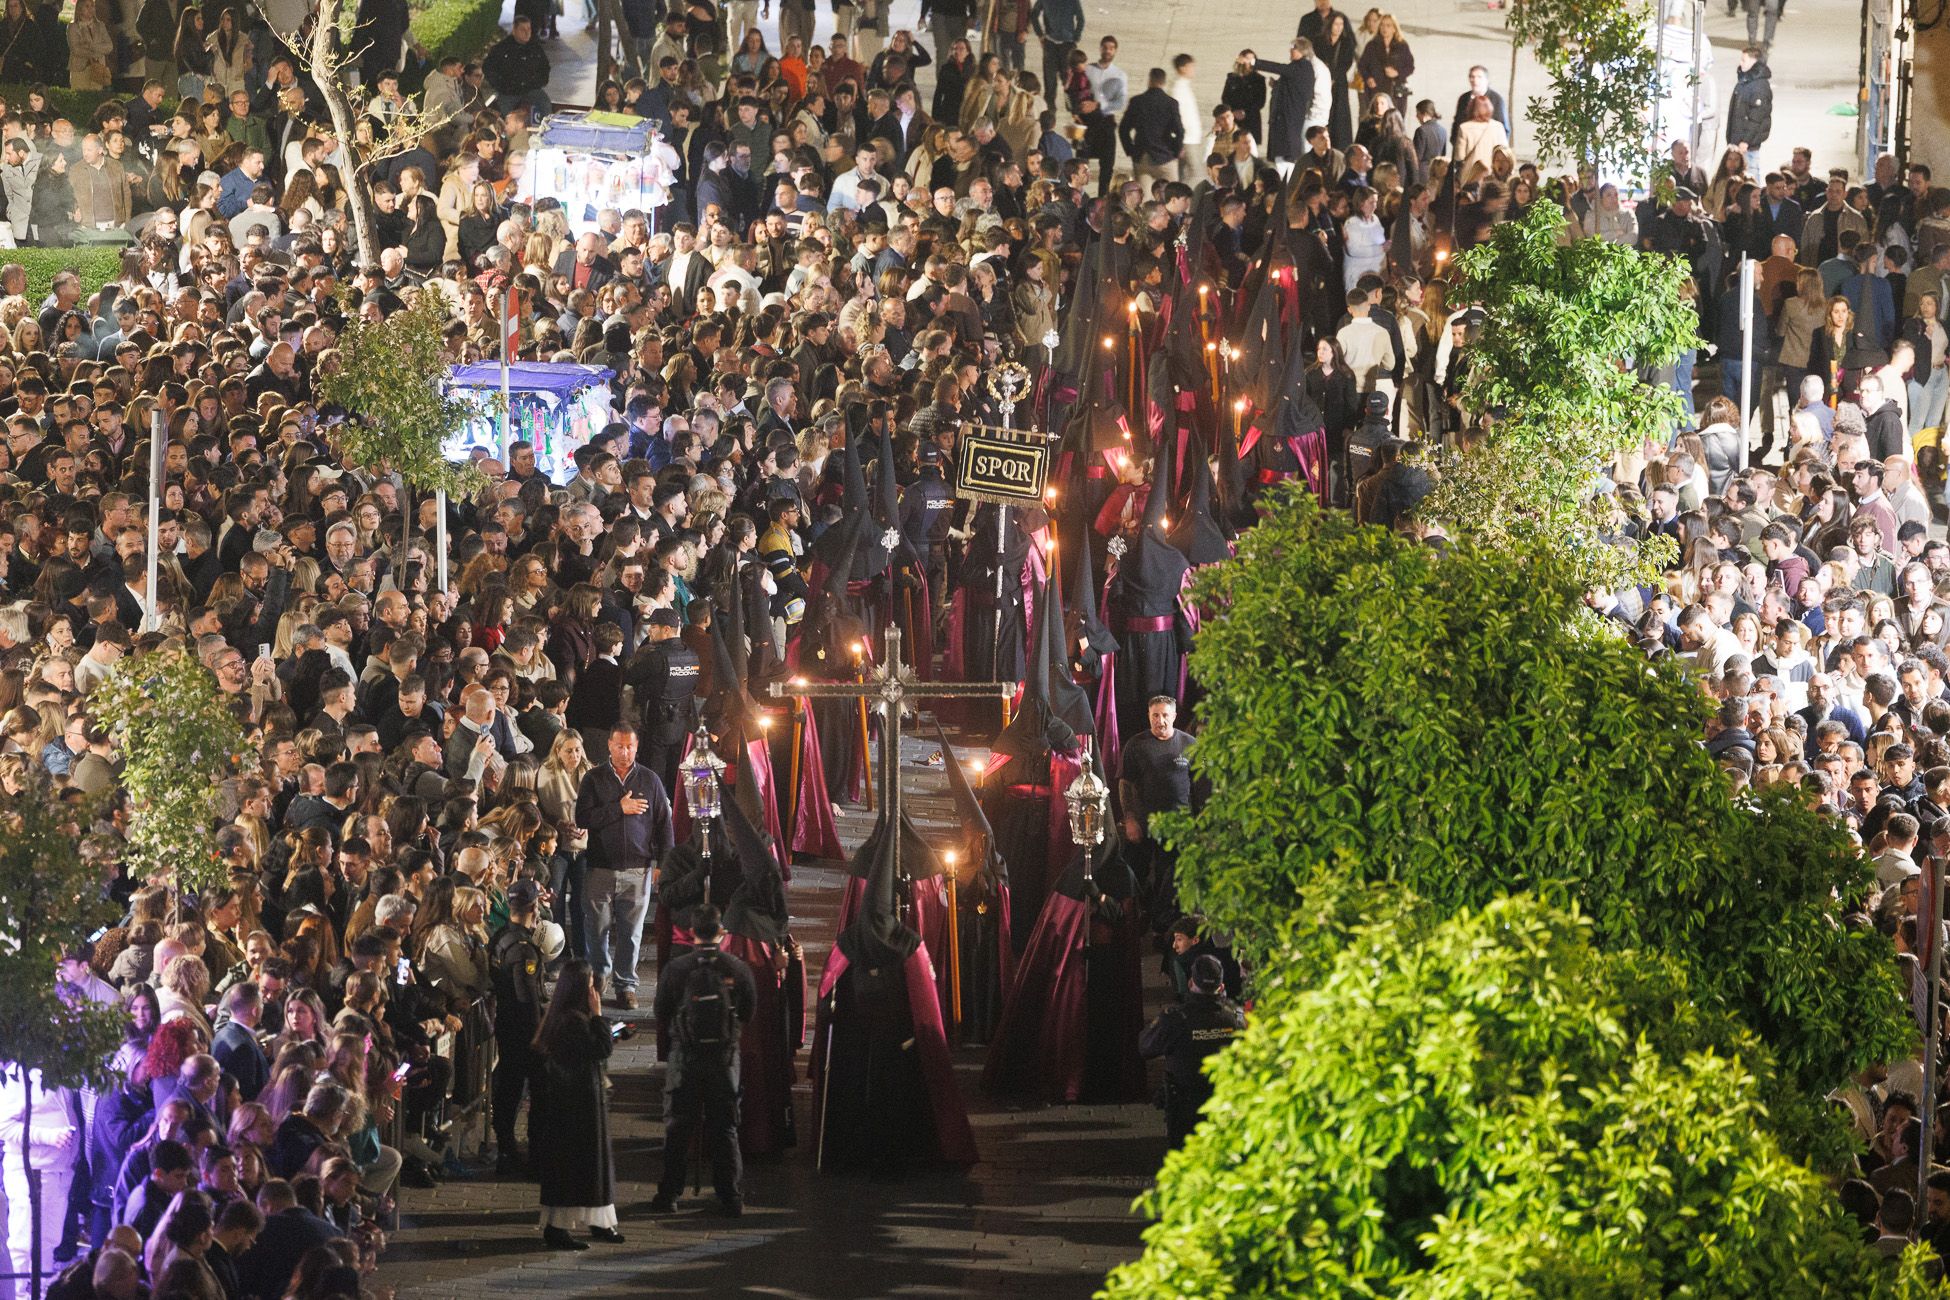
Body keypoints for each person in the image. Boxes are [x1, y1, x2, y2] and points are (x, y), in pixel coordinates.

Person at [650, 904, 757, 1216]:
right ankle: (730, 1196)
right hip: (724, 1060)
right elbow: (749, 1011)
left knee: (678, 1129)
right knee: (725, 1129)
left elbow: (661, 1012)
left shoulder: (677, 969)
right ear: (721, 931)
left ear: (692, 932)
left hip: (685, 1058)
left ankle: (669, 1195)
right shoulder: (736, 969)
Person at [575, 722, 673, 1010]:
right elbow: (583, 818)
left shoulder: (650, 780)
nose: (625, 752)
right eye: (620, 746)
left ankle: (626, 985)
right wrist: (619, 808)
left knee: (631, 933)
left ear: (637, 747)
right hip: (600, 868)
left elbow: (663, 826)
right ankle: (599, 976)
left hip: (637, 869)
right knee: (597, 928)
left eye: (630, 747)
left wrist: (662, 865)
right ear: (609, 745)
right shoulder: (594, 779)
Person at [531, 961, 623, 1250]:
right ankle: (559, 1228)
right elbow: (599, 1049)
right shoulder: (573, 1021)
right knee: (577, 1166)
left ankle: (599, 1220)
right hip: (576, 1106)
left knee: (590, 1166)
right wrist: (598, 1017)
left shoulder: (563, 1017)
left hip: (579, 1103)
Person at [1139, 954, 1246, 1147]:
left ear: (1190, 983)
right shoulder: (1235, 1018)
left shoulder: (1174, 1018)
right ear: (1221, 987)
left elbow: (1146, 1047)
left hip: (1184, 1106)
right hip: (1224, 1103)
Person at [489, 879, 547, 1175]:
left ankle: (506, 1145)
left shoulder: (500, 936)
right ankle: (517, 1151)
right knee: (525, 1090)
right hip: (523, 1029)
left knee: (508, 1086)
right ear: (534, 907)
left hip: (504, 1023)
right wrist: (540, 1034)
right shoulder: (523, 949)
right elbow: (528, 999)